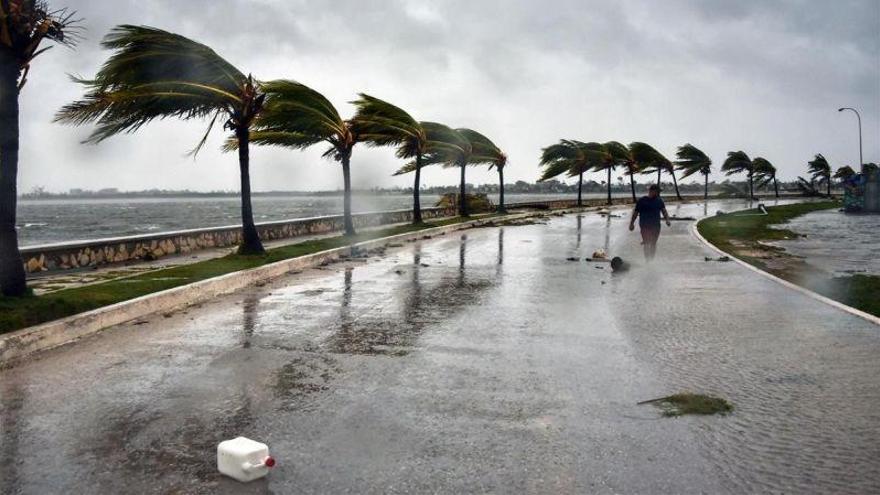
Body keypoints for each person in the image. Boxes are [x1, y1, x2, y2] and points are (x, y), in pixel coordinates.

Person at [629, 184, 671, 260]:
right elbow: (635, 213)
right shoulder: (642, 201)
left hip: (656, 226)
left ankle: (651, 260)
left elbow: (664, 211)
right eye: (657, 192)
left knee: (653, 243)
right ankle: (647, 261)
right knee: (647, 242)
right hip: (645, 226)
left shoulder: (659, 201)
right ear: (651, 191)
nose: (658, 193)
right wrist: (631, 224)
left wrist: (667, 220)